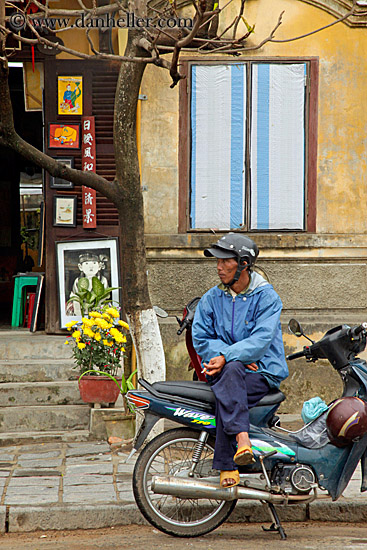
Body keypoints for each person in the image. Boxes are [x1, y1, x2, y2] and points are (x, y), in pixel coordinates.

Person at [192, 234, 288, 489]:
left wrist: (228, 357)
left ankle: (227, 465)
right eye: (218, 261)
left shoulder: (267, 297)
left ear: (243, 264)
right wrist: (230, 358)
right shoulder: (211, 298)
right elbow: (201, 338)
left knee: (230, 384)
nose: (219, 267)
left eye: (225, 261)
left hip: (262, 372)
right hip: (224, 369)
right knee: (232, 371)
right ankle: (242, 442)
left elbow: (262, 339)